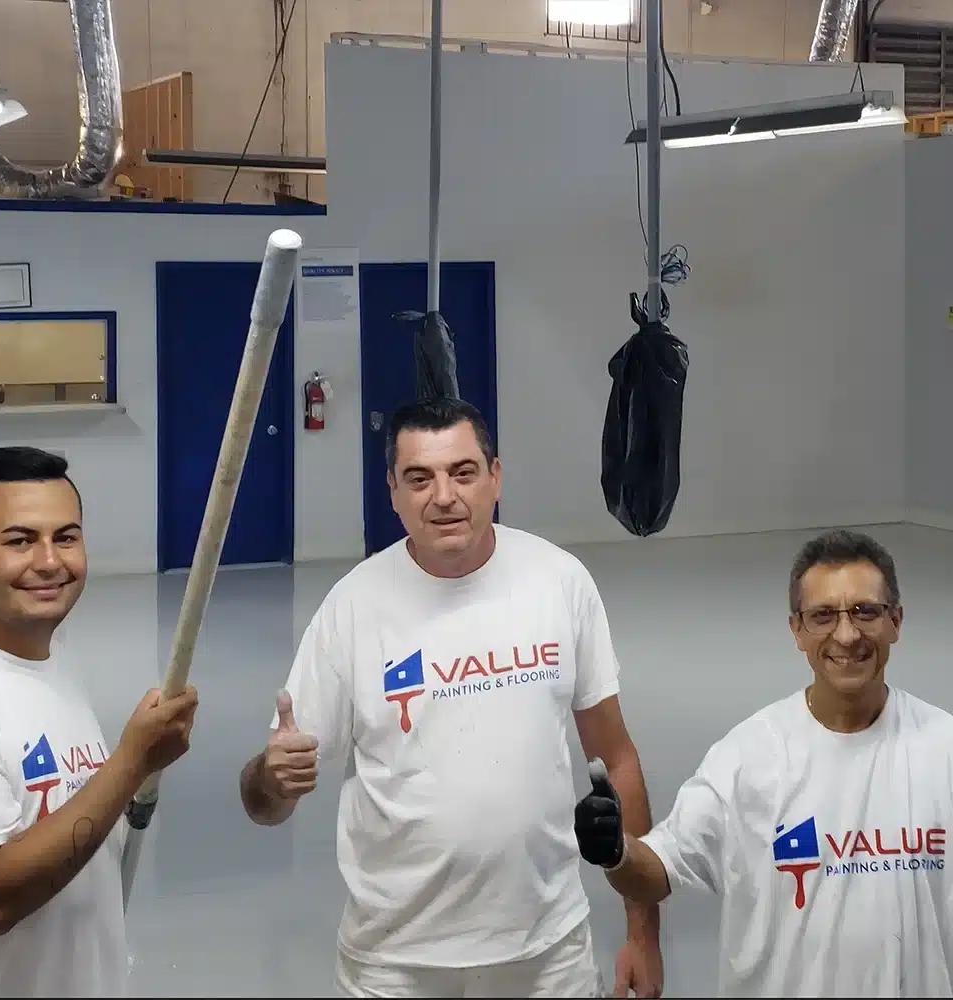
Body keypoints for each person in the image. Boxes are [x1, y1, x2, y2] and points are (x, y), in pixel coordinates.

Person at [239, 398, 664, 998]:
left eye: (463, 472)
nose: (443, 496)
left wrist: (643, 932)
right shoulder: (353, 607)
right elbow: (265, 804)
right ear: (392, 490)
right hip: (394, 963)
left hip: (546, 953)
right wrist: (273, 777)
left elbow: (616, 758)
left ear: (495, 475)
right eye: (419, 478)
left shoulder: (558, 583)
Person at [574, 527, 953, 998]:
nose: (847, 634)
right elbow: (658, 872)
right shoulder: (747, 758)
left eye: (865, 611)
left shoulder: (943, 749)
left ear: (895, 620)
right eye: (823, 616)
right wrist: (615, 850)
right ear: (797, 630)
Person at [0, 446, 199, 998]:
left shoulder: (51, 656)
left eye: (66, 537)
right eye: (20, 540)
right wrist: (132, 762)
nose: (48, 561)